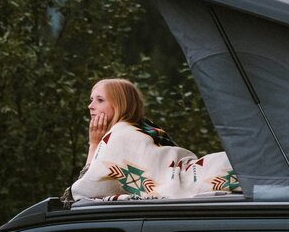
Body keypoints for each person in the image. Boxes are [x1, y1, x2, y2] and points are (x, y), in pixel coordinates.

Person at [63, 78, 241, 203]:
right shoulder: (145, 129)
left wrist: (93, 145)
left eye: (100, 100)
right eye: (91, 99)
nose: (90, 106)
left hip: (195, 176)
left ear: (119, 105)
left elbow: (82, 191)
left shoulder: (120, 135)